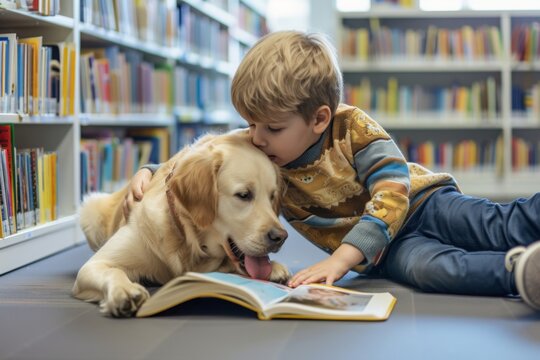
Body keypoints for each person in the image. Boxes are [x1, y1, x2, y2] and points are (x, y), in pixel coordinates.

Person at [123, 30, 540, 311]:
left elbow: (393, 190)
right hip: (384, 254)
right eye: (250, 124)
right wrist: (153, 171)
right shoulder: (266, 146)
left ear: (319, 119)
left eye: (270, 127)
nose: (256, 138)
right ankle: (520, 271)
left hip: (422, 204)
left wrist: (341, 260)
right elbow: (210, 155)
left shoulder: (353, 129)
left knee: (494, 224)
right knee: (430, 270)